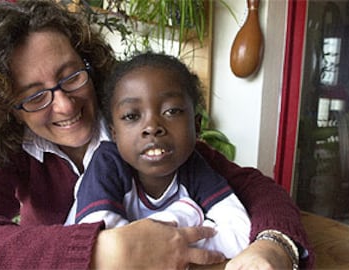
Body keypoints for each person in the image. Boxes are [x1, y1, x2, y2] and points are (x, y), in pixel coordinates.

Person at [0, 0, 313, 269]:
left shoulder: (136, 128)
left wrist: (274, 246)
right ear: (5, 104)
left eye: (71, 76)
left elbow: (254, 187)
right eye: (35, 96)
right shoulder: (5, 149)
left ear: (91, 61)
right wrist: (102, 252)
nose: (66, 106)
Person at [66, 52, 251, 259]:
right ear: (114, 133)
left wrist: (174, 247)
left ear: (196, 126)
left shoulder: (194, 167)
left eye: (171, 111)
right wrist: (187, 216)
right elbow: (103, 248)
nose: (152, 127)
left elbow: (240, 234)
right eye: (131, 116)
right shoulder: (106, 164)